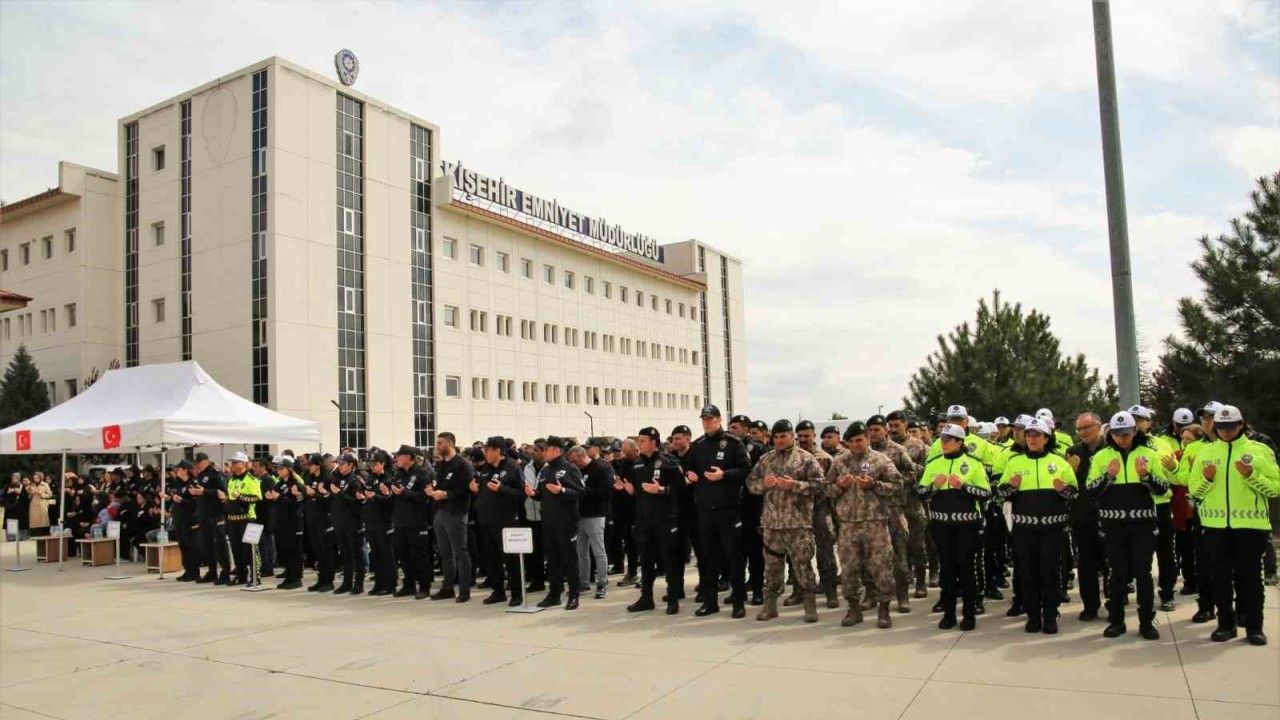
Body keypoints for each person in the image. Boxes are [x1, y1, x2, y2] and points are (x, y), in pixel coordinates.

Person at [1190, 405, 1279, 646]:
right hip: (1215, 526)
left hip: (1250, 526)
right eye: (1221, 427)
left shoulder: (1259, 450)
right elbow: (1195, 491)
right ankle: (1225, 625)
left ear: (1241, 424)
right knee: (1220, 579)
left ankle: (1254, 627)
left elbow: (1275, 488)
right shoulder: (1206, 452)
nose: (1226, 431)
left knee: (1251, 579)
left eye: (1231, 427)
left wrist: (1251, 476)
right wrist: (1208, 479)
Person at [1087, 410, 1169, 640]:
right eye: (1117, 434)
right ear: (1110, 434)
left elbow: (1163, 488)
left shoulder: (1149, 454)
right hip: (1113, 525)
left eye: (1126, 434)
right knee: (1116, 573)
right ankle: (1116, 621)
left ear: (1134, 431)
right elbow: (1091, 491)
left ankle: (1147, 622)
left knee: (1143, 573)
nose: (1121, 438)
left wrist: (1145, 476)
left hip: (1142, 524)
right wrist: (1109, 476)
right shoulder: (1101, 457)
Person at [997, 418, 1077, 634]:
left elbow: (1074, 494)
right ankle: (1033, 616)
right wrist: (1011, 487)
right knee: (1028, 573)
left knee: (1050, 572)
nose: (1032, 439)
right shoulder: (1015, 462)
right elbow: (1000, 494)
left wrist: (1062, 490)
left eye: (1037, 435)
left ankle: (1050, 615)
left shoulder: (1059, 462)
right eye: (1029, 435)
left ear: (1047, 438)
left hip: (1052, 530)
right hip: (1024, 530)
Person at [745, 419, 828, 623]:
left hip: (798, 525)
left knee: (803, 566)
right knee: (772, 569)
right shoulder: (766, 459)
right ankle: (770, 606)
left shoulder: (806, 459)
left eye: (783, 436)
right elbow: (750, 484)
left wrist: (795, 485)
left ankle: (810, 607)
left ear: (792, 436)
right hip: (772, 525)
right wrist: (763, 484)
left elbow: (821, 486)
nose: (779, 440)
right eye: (776, 437)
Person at [827, 422, 902, 628]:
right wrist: (839, 486)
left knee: (881, 567)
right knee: (849, 568)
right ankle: (854, 608)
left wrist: (874, 485)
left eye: (859, 440)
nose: (855, 444)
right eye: (851, 441)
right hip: (848, 525)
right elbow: (825, 490)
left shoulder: (881, 460)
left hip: (875, 524)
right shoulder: (839, 462)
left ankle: (884, 609)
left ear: (867, 439)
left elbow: (897, 485)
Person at [918, 423, 990, 631]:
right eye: (942, 439)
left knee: (966, 569)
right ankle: (949, 614)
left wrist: (963, 487)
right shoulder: (934, 463)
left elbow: (986, 493)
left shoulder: (973, 464)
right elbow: (920, 492)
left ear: (959, 442)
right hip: (941, 526)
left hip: (967, 526)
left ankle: (969, 614)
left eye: (948, 439)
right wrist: (934, 486)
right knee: (947, 570)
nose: (944, 443)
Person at [683, 405, 751, 619]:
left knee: (734, 557)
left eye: (711, 419)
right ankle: (710, 602)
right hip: (705, 510)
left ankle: (738, 601)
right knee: (709, 558)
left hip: (728, 509)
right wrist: (690, 474)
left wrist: (724, 475)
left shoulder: (733, 442)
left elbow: (746, 470)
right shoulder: (698, 445)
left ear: (719, 420)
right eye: (704, 419)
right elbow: (688, 467)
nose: (707, 422)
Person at [624, 426, 685, 615]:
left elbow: (682, 489)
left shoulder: (669, 462)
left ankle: (673, 598)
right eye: (639, 440)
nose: (639, 444)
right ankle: (646, 598)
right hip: (644, 519)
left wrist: (661, 490)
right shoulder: (637, 464)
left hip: (665, 519)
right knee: (646, 560)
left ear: (653, 442)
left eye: (643, 441)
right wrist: (630, 490)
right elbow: (639, 491)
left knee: (669, 560)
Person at [867, 414, 920, 613]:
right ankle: (871, 594)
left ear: (885, 430)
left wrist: (888, 483)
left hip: (894, 509)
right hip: (870, 512)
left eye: (877, 429)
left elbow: (912, 474)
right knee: (870, 557)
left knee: (899, 554)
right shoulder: (864, 452)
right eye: (870, 430)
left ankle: (902, 596)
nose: (873, 433)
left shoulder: (897, 451)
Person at [526, 436, 585, 610]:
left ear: (557, 450)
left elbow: (580, 492)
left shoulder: (569, 468)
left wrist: (562, 490)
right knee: (553, 560)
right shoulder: (545, 471)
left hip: (566, 521)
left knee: (569, 559)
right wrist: (534, 494)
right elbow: (543, 495)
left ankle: (573, 595)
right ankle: (554, 594)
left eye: (546, 449)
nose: (543, 452)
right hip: (549, 521)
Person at [474, 436, 525, 606]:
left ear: (497, 450)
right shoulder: (486, 469)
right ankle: (498, 591)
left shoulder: (512, 467)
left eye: (488, 450)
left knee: (511, 558)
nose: (485, 453)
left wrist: (502, 489)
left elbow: (521, 493)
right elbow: (483, 490)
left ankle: (516, 593)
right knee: (492, 557)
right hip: (487, 519)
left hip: (506, 519)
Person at [794, 420, 839, 609]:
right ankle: (799, 591)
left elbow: (831, 487)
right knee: (798, 555)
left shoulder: (826, 458)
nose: (803, 439)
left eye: (807, 435)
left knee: (825, 553)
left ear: (814, 436)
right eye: (800, 436)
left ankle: (830, 592)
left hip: (821, 511)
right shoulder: (793, 458)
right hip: (797, 513)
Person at [431, 432, 474, 602]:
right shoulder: (442, 464)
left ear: (450, 444)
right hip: (441, 512)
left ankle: (464, 590)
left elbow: (467, 490)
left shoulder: (463, 465)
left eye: (440, 443)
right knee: (445, 553)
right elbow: (440, 485)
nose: (437, 446)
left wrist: (447, 494)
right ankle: (447, 588)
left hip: (456, 513)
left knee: (460, 552)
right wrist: (434, 492)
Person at [391, 444, 434, 599]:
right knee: (403, 555)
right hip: (400, 521)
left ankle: (424, 586)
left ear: (408, 457)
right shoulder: (398, 474)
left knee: (420, 555)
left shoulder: (422, 474)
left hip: (416, 521)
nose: (397, 458)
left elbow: (424, 497)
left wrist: (405, 492)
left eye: (399, 456)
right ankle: (408, 585)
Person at [570, 445, 613, 599]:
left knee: (598, 551)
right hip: (580, 515)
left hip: (596, 514)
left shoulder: (601, 468)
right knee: (581, 551)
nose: (574, 464)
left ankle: (602, 583)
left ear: (582, 456)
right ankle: (584, 582)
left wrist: (583, 490)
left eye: (575, 461)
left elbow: (606, 492)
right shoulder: (577, 471)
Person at [264, 456, 304, 590]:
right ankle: (289, 577)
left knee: (294, 552)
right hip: (281, 522)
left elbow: (296, 504)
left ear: (289, 469)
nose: (279, 471)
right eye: (277, 468)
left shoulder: (295, 484)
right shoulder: (279, 484)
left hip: (293, 523)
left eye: (281, 468)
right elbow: (277, 501)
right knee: (285, 551)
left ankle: (296, 578)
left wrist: (280, 497)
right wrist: (271, 497)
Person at [191, 453, 232, 584]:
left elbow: (223, 493)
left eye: (199, 463)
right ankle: (212, 571)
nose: (197, 466)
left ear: (206, 461)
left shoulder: (216, 473)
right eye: (196, 464)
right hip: (204, 514)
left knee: (220, 544)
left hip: (216, 513)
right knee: (207, 544)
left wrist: (205, 491)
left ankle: (225, 572)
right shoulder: (200, 474)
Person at [224, 451, 262, 586]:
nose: (233, 465)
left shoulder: (252, 480)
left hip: (247, 518)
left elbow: (257, 497)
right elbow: (230, 497)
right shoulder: (231, 480)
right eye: (232, 462)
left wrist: (241, 497)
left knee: (250, 549)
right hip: (233, 518)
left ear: (244, 464)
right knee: (236, 549)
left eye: (236, 462)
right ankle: (241, 575)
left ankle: (256, 577)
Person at [362, 449, 397, 595]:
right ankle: (379, 582)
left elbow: (391, 501)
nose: (372, 466)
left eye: (375, 463)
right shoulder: (370, 478)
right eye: (370, 463)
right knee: (375, 553)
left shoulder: (389, 478)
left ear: (382, 463)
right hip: (371, 519)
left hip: (384, 520)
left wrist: (377, 496)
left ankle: (390, 584)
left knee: (386, 553)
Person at [303, 453, 337, 593]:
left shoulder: (327, 478)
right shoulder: (309, 477)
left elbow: (330, 500)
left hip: (325, 519)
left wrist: (315, 494)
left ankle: (329, 581)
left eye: (311, 465)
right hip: (312, 517)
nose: (309, 467)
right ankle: (321, 579)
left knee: (326, 550)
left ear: (318, 465)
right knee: (317, 550)